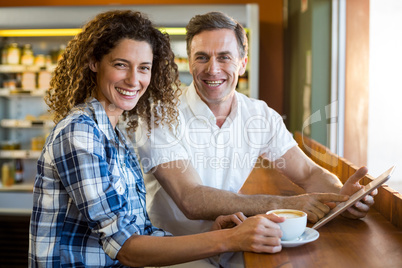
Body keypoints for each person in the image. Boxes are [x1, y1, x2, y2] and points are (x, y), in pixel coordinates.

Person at [28, 10, 288, 268]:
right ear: (94, 62)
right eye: (121, 64)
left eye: (144, 68)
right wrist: (230, 239)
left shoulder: (117, 135)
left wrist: (215, 235)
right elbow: (127, 248)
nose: (133, 80)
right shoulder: (81, 133)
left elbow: (139, 231)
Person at [135, 11, 376, 266]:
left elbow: (307, 173)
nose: (212, 68)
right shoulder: (159, 113)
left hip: (234, 242)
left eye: (224, 57)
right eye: (202, 57)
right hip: (174, 253)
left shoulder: (259, 115)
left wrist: (343, 197)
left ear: (242, 63)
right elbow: (190, 198)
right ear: (190, 62)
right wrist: (285, 203)